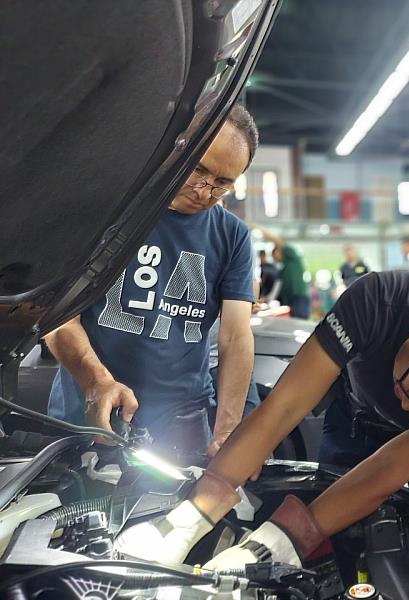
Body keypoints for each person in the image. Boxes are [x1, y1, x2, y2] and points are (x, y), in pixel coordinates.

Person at [115, 270, 409, 569]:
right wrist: (192, 517)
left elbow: (387, 470)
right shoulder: (381, 301)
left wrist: (280, 540)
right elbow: (285, 406)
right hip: (355, 417)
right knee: (343, 535)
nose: (406, 409)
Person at [45, 104, 258, 457]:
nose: (205, 192)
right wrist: (96, 382)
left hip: (182, 427)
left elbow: (236, 336)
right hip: (89, 414)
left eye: (222, 183)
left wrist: (229, 430)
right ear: (177, 146)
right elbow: (59, 319)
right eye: (199, 170)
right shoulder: (105, 212)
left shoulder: (232, 236)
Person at [262, 229, 311, 319]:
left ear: (278, 251)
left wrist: (261, 231)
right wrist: (266, 300)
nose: (273, 258)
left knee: (299, 322)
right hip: (287, 301)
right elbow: (276, 289)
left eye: (273, 254)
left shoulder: (293, 258)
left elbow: (279, 242)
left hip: (298, 297)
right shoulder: (282, 271)